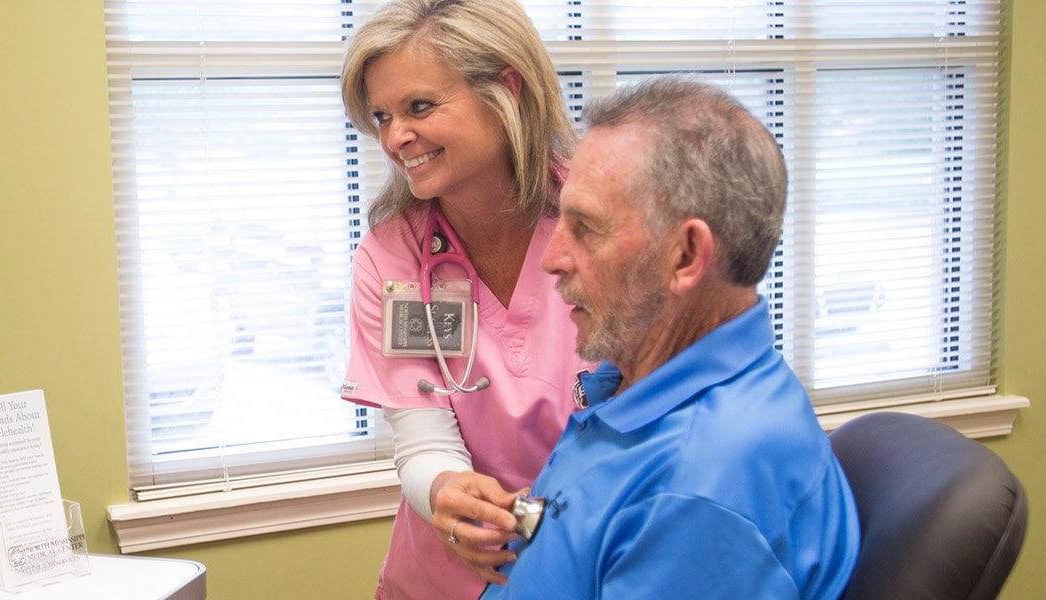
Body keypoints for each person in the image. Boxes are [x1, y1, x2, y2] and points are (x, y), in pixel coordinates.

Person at [475, 75, 862, 599]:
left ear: (684, 257)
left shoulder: (699, 484)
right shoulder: (640, 385)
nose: (552, 259)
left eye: (586, 228)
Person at [336, 1, 590, 598]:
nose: (395, 137)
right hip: (453, 572)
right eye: (380, 116)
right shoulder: (395, 257)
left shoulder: (600, 223)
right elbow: (423, 440)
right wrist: (446, 492)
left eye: (420, 106)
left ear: (507, 90)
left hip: (591, 554)